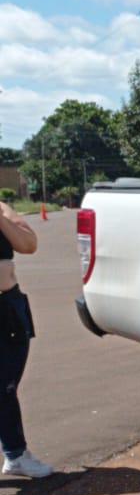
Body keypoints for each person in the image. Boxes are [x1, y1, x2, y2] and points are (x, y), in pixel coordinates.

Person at [0, 201, 50, 478]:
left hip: (8, 306)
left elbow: (28, 244)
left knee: (6, 385)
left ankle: (15, 456)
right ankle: (16, 453)